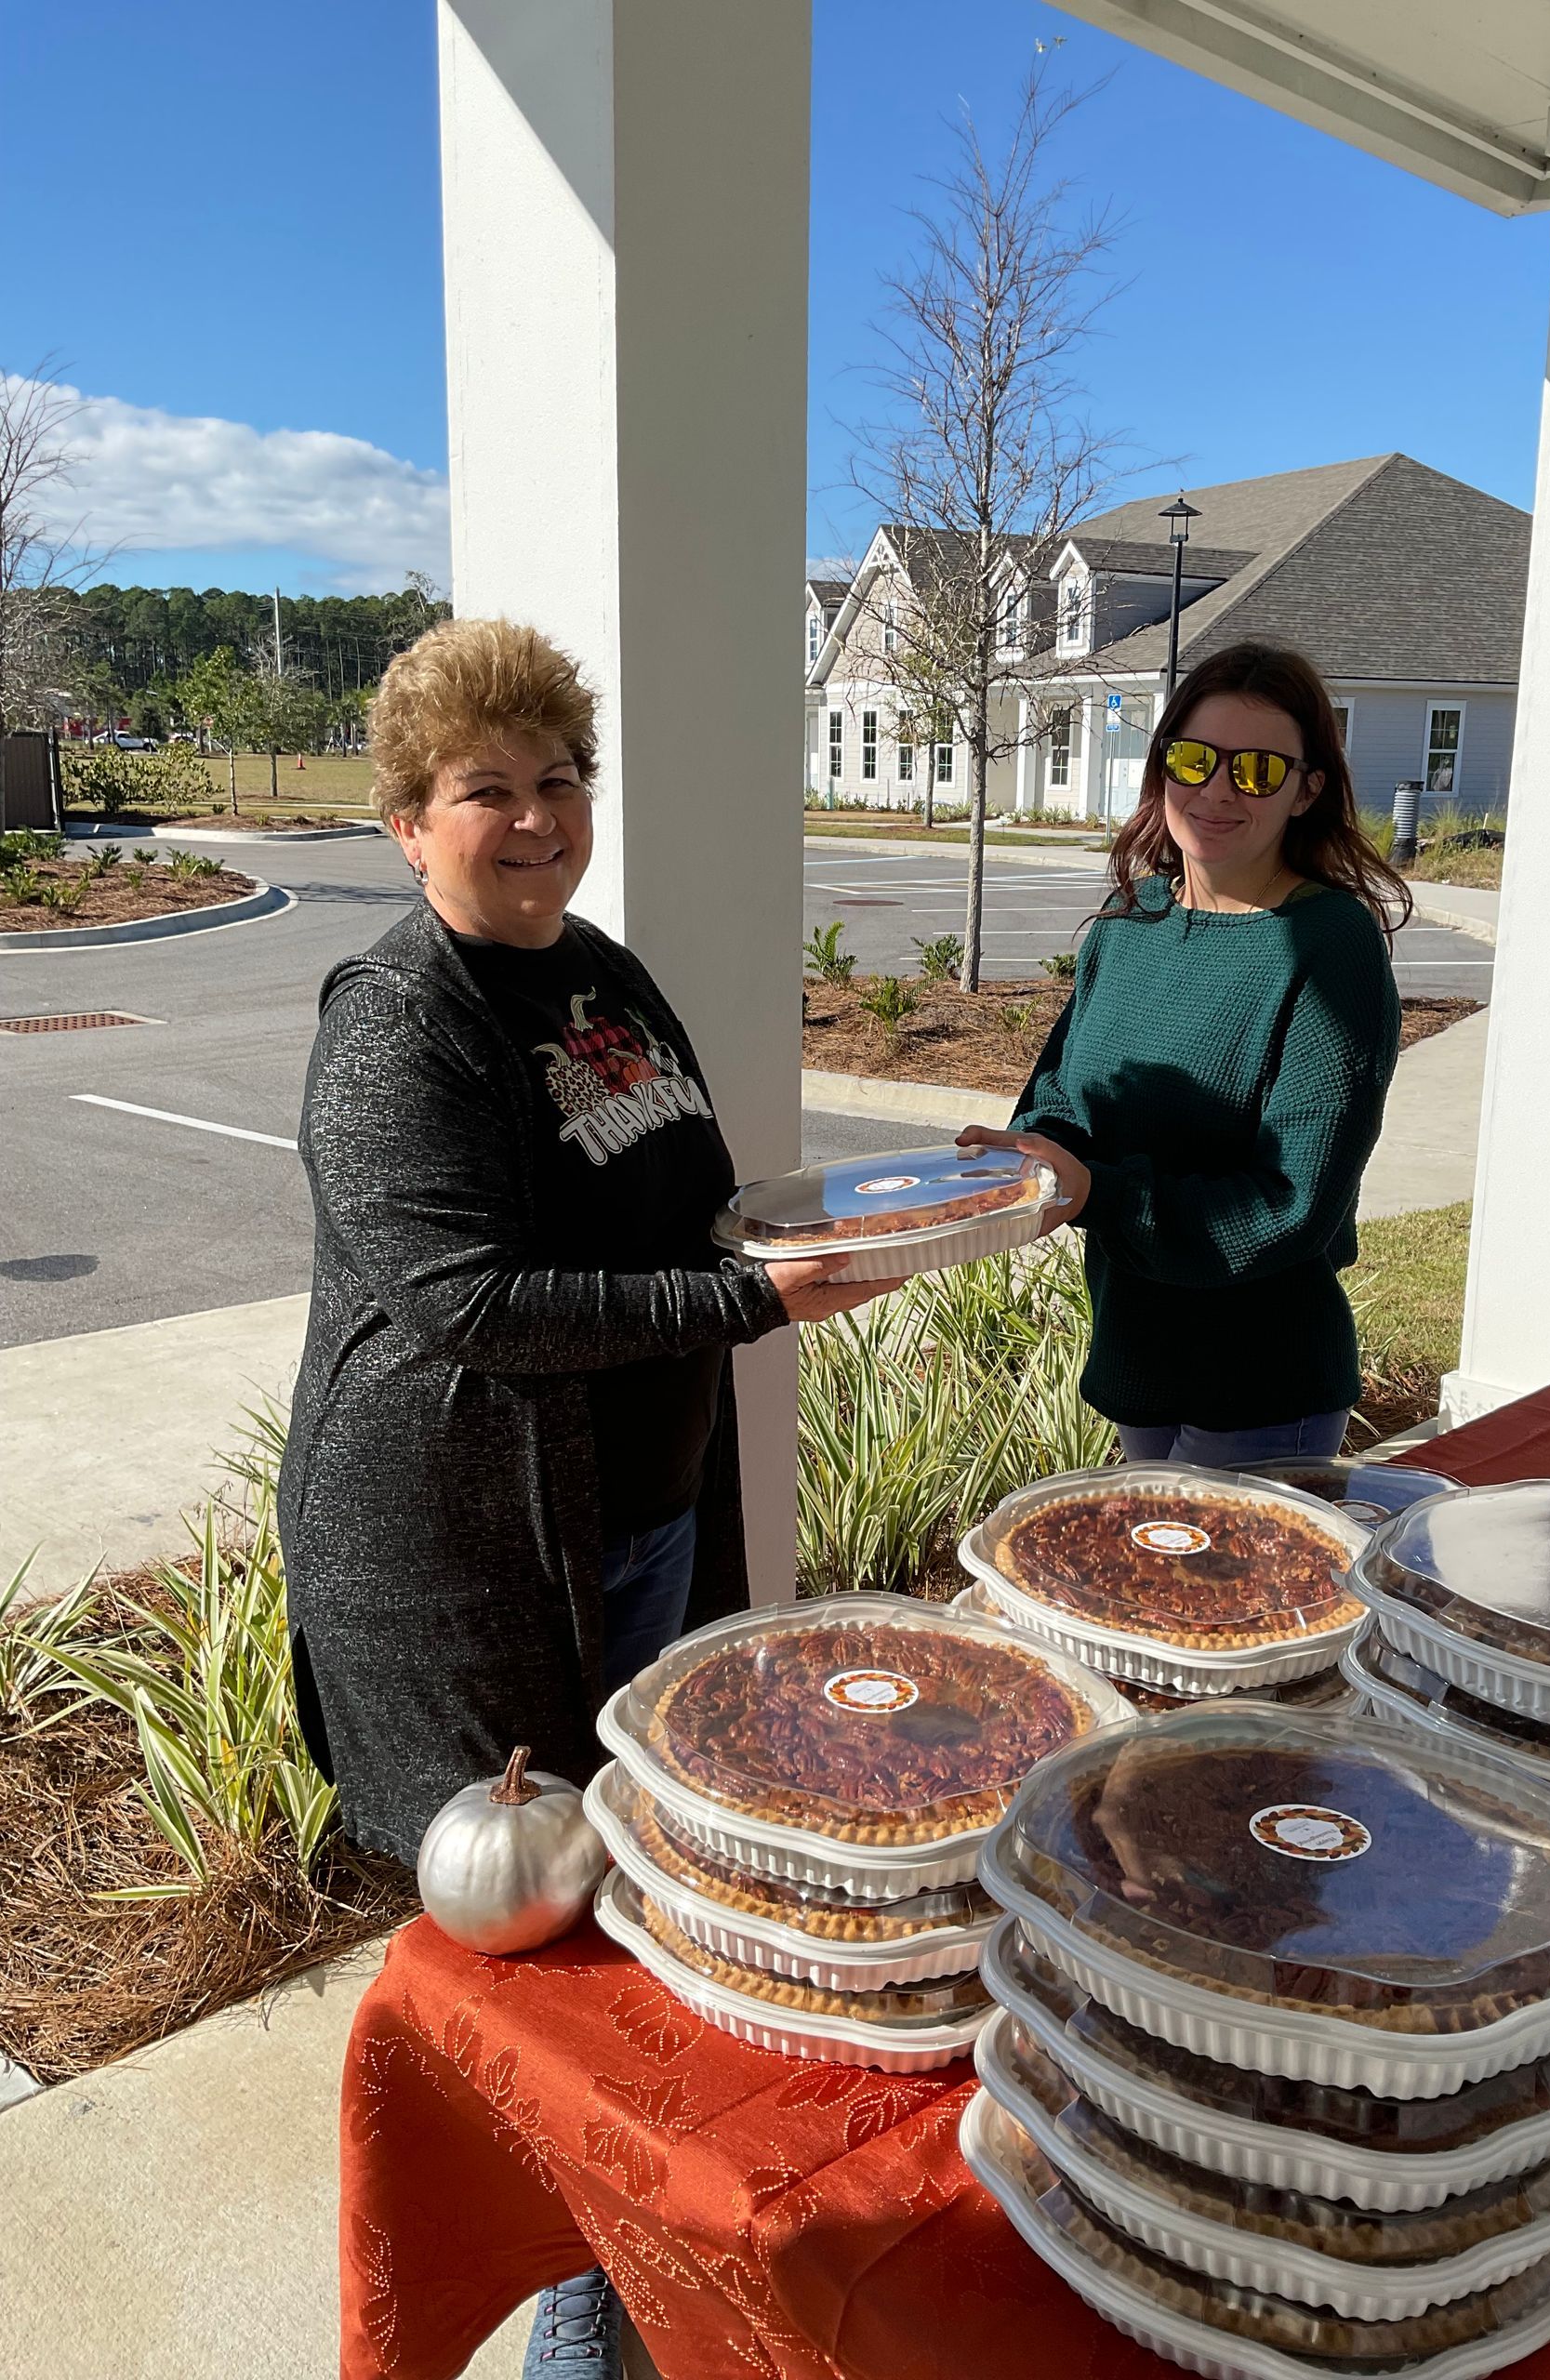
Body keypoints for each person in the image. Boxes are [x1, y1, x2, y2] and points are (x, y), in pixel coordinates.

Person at [279, 616, 885, 2377]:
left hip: (637, 1522)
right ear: (407, 820)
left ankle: (630, 2325)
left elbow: (681, 1199)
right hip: (465, 1550)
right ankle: (581, 2342)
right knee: (547, 1989)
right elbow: (462, 1300)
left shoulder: (597, 971)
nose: (536, 818)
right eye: (487, 791)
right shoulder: (395, 1019)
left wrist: (815, 1221)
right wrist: (753, 1299)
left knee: (637, 1945)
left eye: (560, 781)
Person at [960, 640, 1409, 1471]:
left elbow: (1292, 1202)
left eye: (1258, 772)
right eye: (1194, 759)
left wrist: (1097, 1191)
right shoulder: (1134, 921)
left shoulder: (1327, 946)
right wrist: (1025, 1162)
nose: (1215, 790)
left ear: (1308, 790)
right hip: (1139, 1359)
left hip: (1262, 1386)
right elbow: (1063, 1092)